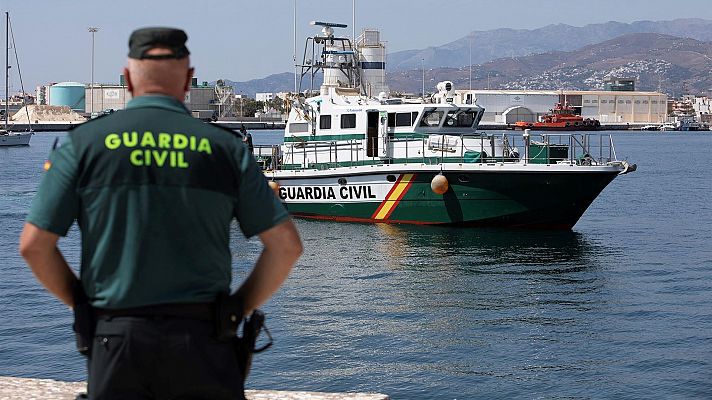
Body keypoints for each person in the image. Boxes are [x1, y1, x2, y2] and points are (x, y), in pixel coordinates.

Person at [19, 27, 302, 400]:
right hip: (204, 342)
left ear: (126, 79)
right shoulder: (226, 150)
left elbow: (34, 246)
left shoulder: (83, 145)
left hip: (115, 341)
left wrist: (85, 305)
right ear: (188, 79)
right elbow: (286, 247)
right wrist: (236, 309)